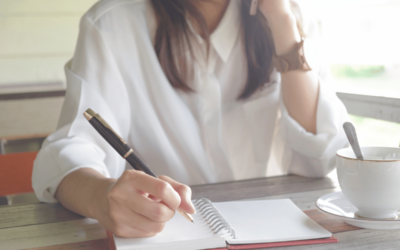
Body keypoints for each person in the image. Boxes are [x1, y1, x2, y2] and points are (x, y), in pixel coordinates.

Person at [32, 0, 348, 238]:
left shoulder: (288, 14)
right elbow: (70, 150)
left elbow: (319, 156)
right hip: (167, 233)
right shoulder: (113, 23)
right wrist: (99, 196)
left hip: (278, 232)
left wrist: (280, 20)